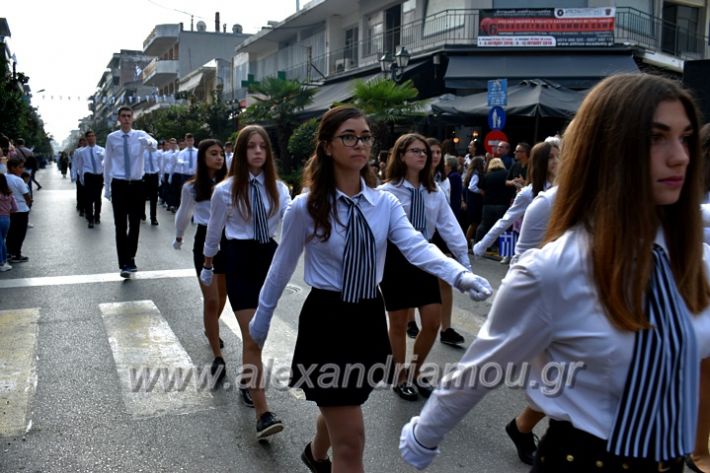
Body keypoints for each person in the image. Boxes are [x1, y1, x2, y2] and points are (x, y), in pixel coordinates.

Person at [400, 73, 710, 472]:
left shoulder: (689, 256)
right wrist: (422, 441)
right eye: (655, 137)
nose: (680, 156)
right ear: (606, 149)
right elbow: (480, 369)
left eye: (685, 138)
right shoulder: (556, 269)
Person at [248, 106, 492, 473]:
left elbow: (417, 246)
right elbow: (280, 269)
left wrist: (460, 275)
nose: (359, 144)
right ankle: (324, 456)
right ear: (328, 146)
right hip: (327, 320)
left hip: (366, 317)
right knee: (352, 439)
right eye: (349, 136)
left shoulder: (384, 203)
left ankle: (314, 454)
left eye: (365, 136)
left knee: (345, 408)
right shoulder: (306, 207)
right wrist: (261, 324)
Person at [201, 125, 291, 440]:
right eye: (251, 146)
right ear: (241, 152)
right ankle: (264, 414)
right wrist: (208, 263)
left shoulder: (280, 188)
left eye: (262, 147)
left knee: (258, 337)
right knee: (252, 335)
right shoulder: (224, 190)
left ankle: (247, 380)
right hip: (238, 259)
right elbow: (214, 231)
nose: (257, 151)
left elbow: (291, 224)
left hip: (269, 259)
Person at [379, 133, 473, 402]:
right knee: (397, 322)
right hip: (396, 261)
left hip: (426, 258)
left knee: (432, 321)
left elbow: (451, 227)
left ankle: (415, 371)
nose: (423, 155)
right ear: (401, 155)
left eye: (425, 151)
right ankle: (400, 377)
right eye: (415, 151)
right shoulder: (386, 193)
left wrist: (464, 265)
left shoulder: (434, 192)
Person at [173, 139, 229, 377]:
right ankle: (218, 356)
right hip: (205, 242)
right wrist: (178, 236)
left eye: (221, 154)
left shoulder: (231, 183)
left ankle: (210, 327)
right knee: (212, 300)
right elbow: (183, 213)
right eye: (213, 154)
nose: (219, 158)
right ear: (202, 158)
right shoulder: (192, 187)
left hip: (229, 241)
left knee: (223, 296)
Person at [472, 142, 559, 260]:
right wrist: (482, 246)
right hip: (531, 258)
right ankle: (506, 255)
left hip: (555, 256)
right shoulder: (528, 193)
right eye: (550, 157)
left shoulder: (564, 189)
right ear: (541, 162)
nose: (556, 161)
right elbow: (505, 221)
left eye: (558, 156)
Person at [103, 106, 157, 278]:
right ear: (118, 119)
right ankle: (124, 264)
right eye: (123, 116)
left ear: (132, 118)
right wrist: (107, 187)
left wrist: (147, 143)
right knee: (120, 225)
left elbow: (154, 146)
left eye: (129, 116)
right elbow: (108, 163)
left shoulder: (140, 134)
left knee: (135, 224)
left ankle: (131, 257)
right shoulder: (112, 138)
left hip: (137, 185)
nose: (126, 119)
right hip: (119, 184)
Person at [74, 130, 105, 228]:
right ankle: (90, 219)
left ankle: (97, 216)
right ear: (87, 138)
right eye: (89, 136)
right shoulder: (82, 152)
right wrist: (80, 178)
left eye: (93, 136)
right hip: (88, 175)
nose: (91, 138)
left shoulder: (101, 150)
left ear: (95, 137)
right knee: (88, 198)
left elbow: (106, 164)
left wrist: (103, 158)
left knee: (97, 198)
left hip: (99, 176)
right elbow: (80, 166)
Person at [5, 157, 31, 263]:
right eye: (20, 167)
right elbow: (26, 195)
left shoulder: (4, 177)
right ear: (12, 168)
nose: (22, 170)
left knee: (11, 233)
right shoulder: (18, 180)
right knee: (20, 234)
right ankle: (17, 254)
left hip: (9, 210)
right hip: (21, 210)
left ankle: (9, 253)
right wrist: (29, 203)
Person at [0, 173, 17, 271]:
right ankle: (3, 261)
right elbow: (15, 208)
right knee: (2, 240)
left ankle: (1, 262)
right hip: (6, 219)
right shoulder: (9, 193)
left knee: (0, 241)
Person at [143, 141, 161, 225]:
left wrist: (160, 179)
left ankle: (153, 218)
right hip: (144, 176)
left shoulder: (157, 153)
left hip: (154, 176)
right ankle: (142, 213)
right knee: (142, 197)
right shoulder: (142, 153)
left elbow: (160, 166)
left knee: (154, 198)